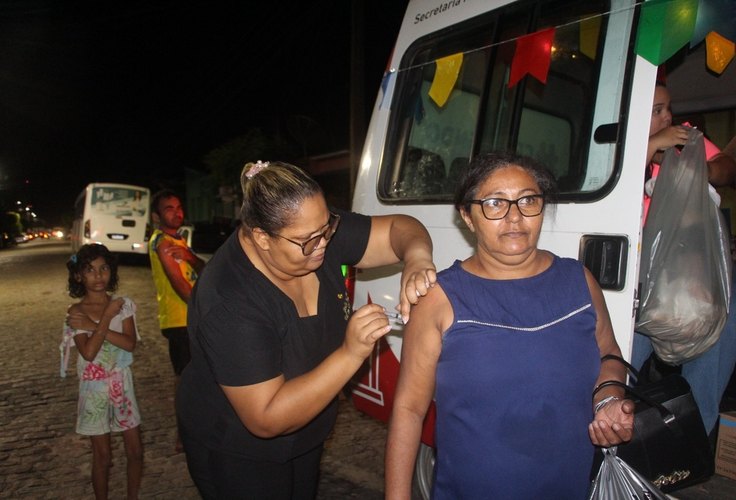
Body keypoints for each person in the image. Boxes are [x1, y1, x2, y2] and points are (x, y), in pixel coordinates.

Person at [176, 160, 436, 499]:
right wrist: (351, 352)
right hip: (240, 451)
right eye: (308, 240)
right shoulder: (230, 300)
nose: (324, 244)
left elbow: (397, 229)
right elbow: (266, 417)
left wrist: (417, 258)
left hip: (306, 432)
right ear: (261, 237)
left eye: (327, 227)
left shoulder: (312, 233)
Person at [384, 152, 634, 499]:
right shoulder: (439, 299)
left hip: (568, 487)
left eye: (528, 200)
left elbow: (609, 354)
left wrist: (608, 398)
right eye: (494, 203)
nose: (514, 217)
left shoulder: (579, 281)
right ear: (467, 217)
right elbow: (410, 409)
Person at [632, 82, 736, 436]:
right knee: (622, 358)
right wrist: (649, 148)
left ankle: (691, 442)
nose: (668, 117)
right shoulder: (623, 145)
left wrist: (693, 166)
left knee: (723, 322)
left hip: (689, 268)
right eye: (656, 110)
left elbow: (726, 167)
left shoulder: (685, 138)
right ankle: (608, 437)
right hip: (638, 273)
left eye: (668, 108)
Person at [60, 244, 143, 500]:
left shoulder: (124, 305)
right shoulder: (76, 312)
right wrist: (105, 318)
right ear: (78, 276)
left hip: (122, 383)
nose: (98, 276)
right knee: (103, 456)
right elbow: (89, 353)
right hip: (93, 388)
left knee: (135, 450)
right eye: (90, 270)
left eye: (104, 268)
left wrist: (95, 325)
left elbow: (129, 344)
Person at [149, 189, 205, 450]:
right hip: (178, 319)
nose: (177, 212)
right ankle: (183, 436)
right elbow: (179, 284)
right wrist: (204, 309)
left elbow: (202, 268)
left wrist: (190, 256)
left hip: (190, 318)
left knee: (199, 376)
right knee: (184, 378)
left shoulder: (179, 241)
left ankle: (197, 427)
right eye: (169, 208)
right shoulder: (161, 242)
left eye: (178, 206)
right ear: (156, 216)